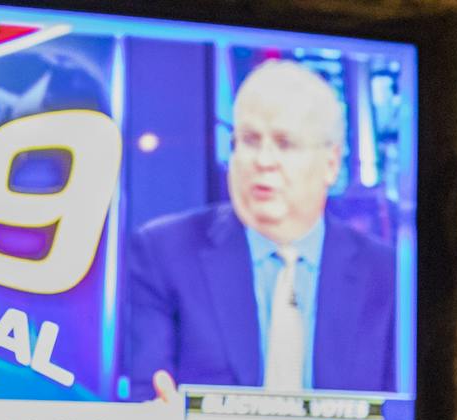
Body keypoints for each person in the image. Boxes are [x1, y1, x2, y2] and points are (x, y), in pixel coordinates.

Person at [128, 59, 398, 400]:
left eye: (285, 144)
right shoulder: (162, 253)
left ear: (330, 163)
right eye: (250, 141)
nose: (263, 161)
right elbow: (147, 396)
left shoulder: (386, 275)